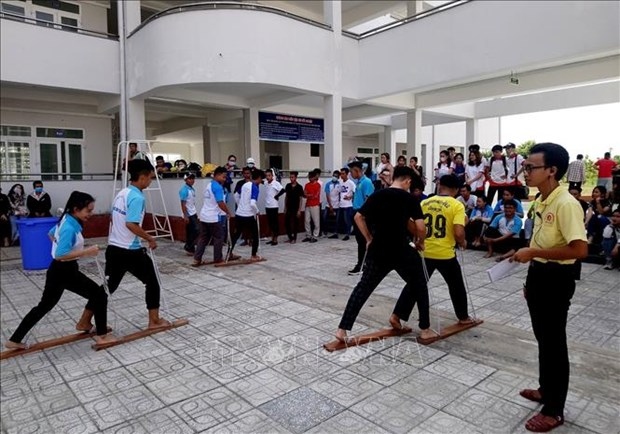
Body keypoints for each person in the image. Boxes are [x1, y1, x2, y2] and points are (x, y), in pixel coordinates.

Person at [510, 143, 588, 433]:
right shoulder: (542, 200)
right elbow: (543, 242)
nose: (525, 172)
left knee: (555, 344)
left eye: (531, 167)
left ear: (552, 170)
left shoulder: (565, 203)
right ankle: (546, 389)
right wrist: (530, 263)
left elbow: (579, 249)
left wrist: (533, 254)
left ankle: (554, 410)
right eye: (525, 166)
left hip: (557, 279)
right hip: (539, 275)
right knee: (544, 339)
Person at [5, 191, 116, 349]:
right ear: (76, 209)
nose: (90, 214)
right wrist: (87, 251)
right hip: (64, 270)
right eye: (88, 210)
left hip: (62, 270)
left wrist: (63, 245)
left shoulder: (68, 219)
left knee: (45, 305)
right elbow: (60, 255)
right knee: (99, 295)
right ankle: (102, 336)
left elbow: (51, 234)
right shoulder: (69, 226)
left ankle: (14, 340)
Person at [334, 166, 433, 342]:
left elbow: (358, 217)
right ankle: (425, 329)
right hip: (402, 249)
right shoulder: (409, 199)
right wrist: (421, 243)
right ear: (408, 181)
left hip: (378, 249)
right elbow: (420, 227)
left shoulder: (378, 195)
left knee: (363, 289)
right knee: (419, 284)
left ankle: (342, 330)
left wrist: (368, 238)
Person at [82, 159, 169, 330]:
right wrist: (150, 238)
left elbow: (116, 220)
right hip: (130, 250)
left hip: (114, 248)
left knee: (108, 287)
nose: (151, 181)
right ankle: (154, 320)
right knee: (152, 282)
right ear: (142, 177)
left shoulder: (122, 193)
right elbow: (131, 224)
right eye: (150, 177)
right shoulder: (137, 197)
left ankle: (84, 320)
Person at [420, 174, 477, 326]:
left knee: (415, 285)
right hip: (445, 254)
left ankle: (397, 315)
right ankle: (463, 317)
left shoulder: (425, 202)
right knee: (456, 286)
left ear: (439, 185)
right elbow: (458, 232)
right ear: (457, 189)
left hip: (425, 251)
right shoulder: (456, 204)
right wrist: (463, 241)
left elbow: (415, 225)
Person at [193, 167, 234, 266]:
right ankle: (218, 259)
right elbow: (220, 202)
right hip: (214, 217)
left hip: (204, 216)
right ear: (217, 175)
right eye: (223, 177)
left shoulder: (209, 185)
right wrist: (228, 212)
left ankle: (197, 259)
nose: (224, 179)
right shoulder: (217, 187)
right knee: (218, 238)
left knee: (203, 238)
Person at [228, 169, 265, 261]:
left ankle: (229, 253)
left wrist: (241, 204)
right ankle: (253, 255)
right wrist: (257, 211)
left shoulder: (245, 184)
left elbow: (236, 195)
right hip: (248, 215)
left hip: (239, 213)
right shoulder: (255, 188)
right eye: (261, 179)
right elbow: (252, 203)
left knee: (236, 234)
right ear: (259, 178)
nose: (261, 181)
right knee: (255, 235)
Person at [348, 160, 375, 275]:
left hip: (362, 215)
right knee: (360, 241)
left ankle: (362, 264)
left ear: (357, 171)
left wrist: (363, 215)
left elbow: (368, 199)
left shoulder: (366, 182)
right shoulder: (359, 182)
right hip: (356, 212)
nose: (350, 174)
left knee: (363, 240)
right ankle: (362, 263)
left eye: (351, 172)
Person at [275, 171, 304, 244]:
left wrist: (299, 210)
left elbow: (301, 199)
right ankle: (290, 237)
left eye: (292, 177)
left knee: (295, 223)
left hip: (296, 207)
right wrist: (285, 207)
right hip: (289, 207)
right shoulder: (288, 186)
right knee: (286, 223)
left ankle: (294, 238)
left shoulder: (299, 187)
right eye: (290, 177)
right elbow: (286, 197)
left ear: (296, 178)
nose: (291, 179)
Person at [179, 173, 199, 255]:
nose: (192, 180)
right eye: (190, 179)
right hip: (189, 214)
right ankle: (189, 246)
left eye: (193, 179)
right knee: (195, 230)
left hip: (193, 212)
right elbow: (183, 204)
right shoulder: (184, 190)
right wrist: (185, 215)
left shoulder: (191, 189)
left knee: (191, 231)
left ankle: (190, 247)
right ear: (186, 180)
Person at [264, 169, 283, 245]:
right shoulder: (266, 183)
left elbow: (282, 190)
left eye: (269, 175)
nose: (267, 177)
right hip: (267, 205)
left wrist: (277, 196)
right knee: (270, 223)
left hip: (274, 206)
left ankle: (275, 239)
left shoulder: (276, 183)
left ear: (272, 176)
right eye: (266, 176)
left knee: (275, 223)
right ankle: (272, 238)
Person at [302, 171, 321, 243]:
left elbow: (315, 196)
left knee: (316, 221)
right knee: (307, 221)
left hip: (315, 205)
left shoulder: (318, 185)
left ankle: (315, 236)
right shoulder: (307, 185)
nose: (309, 178)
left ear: (314, 177)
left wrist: (308, 195)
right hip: (308, 204)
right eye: (309, 177)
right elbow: (304, 194)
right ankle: (308, 235)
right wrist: (309, 195)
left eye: (310, 177)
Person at [338, 167, 356, 241]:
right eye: (341, 174)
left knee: (347, 220)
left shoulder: (351, 183)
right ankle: (344, 232)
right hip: (341, 204)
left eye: (343, 174)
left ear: (347, 174)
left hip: (348, 205)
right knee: (342, 220)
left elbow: (355, 192)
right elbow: (339, 192)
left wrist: (350, 196)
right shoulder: (340, 182)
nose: (341, 175)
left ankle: (347, 234)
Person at [324, 170, 341, 239]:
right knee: (324, 217)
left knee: (337, 220)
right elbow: (327, 195)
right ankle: (325, 231)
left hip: (337, 205)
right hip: (328, 205)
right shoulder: (328, 184)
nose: (334, 177)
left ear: (338, 177)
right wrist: (330, 205)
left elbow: (340, 194)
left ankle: (335, 232)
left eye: (336, 176)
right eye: (334, 176)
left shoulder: (339, 184)